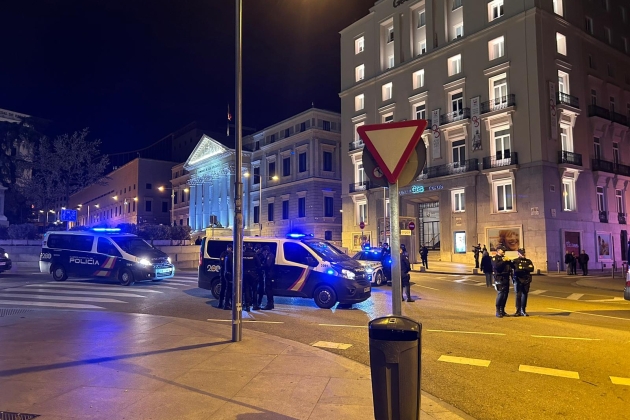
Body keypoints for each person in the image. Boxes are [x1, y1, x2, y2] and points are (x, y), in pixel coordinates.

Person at [512, 248, 535, 316]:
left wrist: (523, 268)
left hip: (526, 280)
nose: (523, 255)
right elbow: (517, 270)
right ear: (518, 254)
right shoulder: (515, 261)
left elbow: (531, 269)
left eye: (524, 253)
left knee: (524, 295)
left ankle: (523, 310)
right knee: (518, 295)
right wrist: (525, 268)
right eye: (521, 253)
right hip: (518, 280)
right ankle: (518, 310)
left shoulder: (528, 261)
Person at [492, 245, 513, 318]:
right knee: (500, 294)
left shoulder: (505, 258)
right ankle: (498, 311)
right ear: (498, 250)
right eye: (502, 250)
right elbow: (496, 266)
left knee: (505, 294)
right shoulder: (495, 258)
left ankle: (502, 310)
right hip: (499, 278)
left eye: (504, 250)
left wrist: (509, 261)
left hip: (506, 277)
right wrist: (503, 261)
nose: (504, 251)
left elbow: (511, 267)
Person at [242, 243, 262, 312]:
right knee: (254, 290)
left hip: (245, 274)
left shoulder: (242, 255)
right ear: (251, 247)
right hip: (253, 274)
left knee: (246, 289)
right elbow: (259, 265)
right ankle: (255, 305)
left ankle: (247, 306)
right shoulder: (254, 255)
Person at [261, 245, 276, 310]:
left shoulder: (270, 256)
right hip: (270, 275)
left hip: (270, 275)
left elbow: (267, 264)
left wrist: (261, 266)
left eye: (263, 252)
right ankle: (271, 303)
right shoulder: (270, 255)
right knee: (269, 289)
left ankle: (269, 304)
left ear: (266, 251)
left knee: (268, 289)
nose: (263, 253)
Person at [220, 244, 234, 310]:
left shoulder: (229, 254)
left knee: (229, 289)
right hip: (225, 274)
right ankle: (221, 303)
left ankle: (228, 303)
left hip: (225, 273)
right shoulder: (225, 254)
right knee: (224, 289)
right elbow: (221, 262)